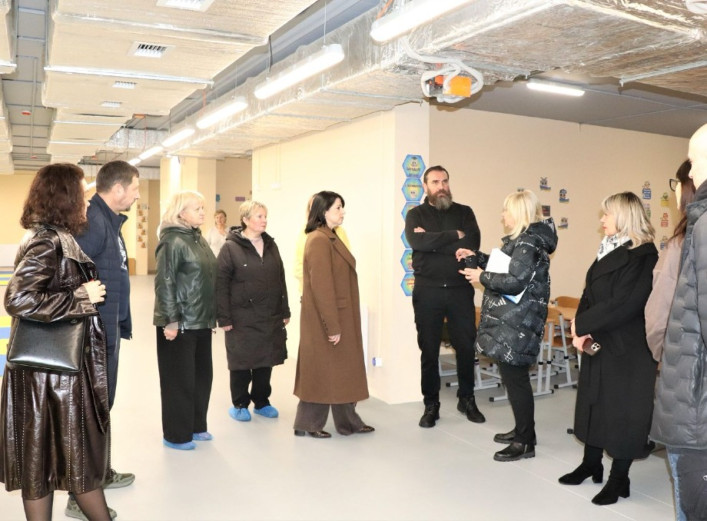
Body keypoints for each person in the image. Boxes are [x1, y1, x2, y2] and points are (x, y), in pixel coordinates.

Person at [0, 163, 113, 520]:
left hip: (50, 373)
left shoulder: (52, 236)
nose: (87, 200)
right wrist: (80, 297)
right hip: (49, 377)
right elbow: (17, 299)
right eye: (82, 192)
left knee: (44, 461)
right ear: (66, 197)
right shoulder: (47, 241)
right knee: (70, 460)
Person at [560, 191, 658, 506]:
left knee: (623, 412)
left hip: (627, 348)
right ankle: (591, 464)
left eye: (607, 214)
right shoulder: (608, 248)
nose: (602, 219)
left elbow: (625, 304)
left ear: (624, 217)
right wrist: (578, 327)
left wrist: (582, 324)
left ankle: (619, 479)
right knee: (594, 404)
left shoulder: (644, 256)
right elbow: (588, 292)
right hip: (599, 341)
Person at [457, 190, 557, 462]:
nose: (502, 215)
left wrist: (481, 276)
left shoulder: (528, 242)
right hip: (512, 321)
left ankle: (525, 443)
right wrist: (478, 257)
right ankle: (525, 431)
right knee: (514, 380)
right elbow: (506, 267)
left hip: (518, 323)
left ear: (518, 213)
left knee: (517, 381)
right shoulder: (522, 241)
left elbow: (514, 282)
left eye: (506, 211)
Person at [74, 160, 139, 503]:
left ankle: (102, 472)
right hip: (93, 335)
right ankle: (80, 494)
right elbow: (70, 277)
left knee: (102, 407)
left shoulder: (110, 222)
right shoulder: (94, 223)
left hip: (108, 331)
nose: (137, 195)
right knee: (90, 412)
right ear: (118, 189)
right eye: (135, 188)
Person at [652, 124, 707, 521]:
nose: (691, 170)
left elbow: (660, 316)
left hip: (694, 407)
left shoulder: (702, 228)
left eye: (693, 160)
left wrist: (664, 354)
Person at [404, 165, 484, 428]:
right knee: (429, 350)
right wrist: (453, 236)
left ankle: (467, 399)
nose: (441, 186)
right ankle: (431, 404)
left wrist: (432, 241)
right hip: (428, 291)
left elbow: (472, 243)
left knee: (466, 347)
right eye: (435, 182)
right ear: (425, 186)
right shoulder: (415, 214)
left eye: (445, 181)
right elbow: (417, 243)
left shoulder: (464, 212)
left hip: (460, 289)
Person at [293, 191, 373, 438]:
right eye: (338, 207)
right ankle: (308, 423)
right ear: (324, 211)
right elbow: (322, 287)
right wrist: (333, 326)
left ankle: (348, 422)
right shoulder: (318, 240)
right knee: (321, 370)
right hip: (327, 317)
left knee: (341, 370)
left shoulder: (331, 236)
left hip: (338, 314)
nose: (342, 212)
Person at [645, 159, 694, 521]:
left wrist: (662, 352)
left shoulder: (682, 242)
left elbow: (658, 312)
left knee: (691, 482)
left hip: (687, 374)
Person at [153, 191, 217, 450]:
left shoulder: (198, 239)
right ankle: (176, 435)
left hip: (201, 320)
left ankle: (196, 426)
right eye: (197, 208)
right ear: (181, 213)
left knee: (202, 378)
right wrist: (170, 320)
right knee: (179, 382)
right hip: (179, 323)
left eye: (203, 208)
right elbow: (165, 282)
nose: (203, 212)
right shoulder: (171, 241)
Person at [216, 200, 290, 422]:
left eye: (265, 216)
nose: (264, 220)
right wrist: (224, 317)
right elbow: (220, 284)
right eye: (259, 216)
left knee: (265, 360)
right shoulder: (230, 248)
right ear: (246, 220)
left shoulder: (271, 245)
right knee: (241, 361)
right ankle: (239, 404)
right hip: (241, 317)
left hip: (268, 315)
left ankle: (262, 401)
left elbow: (281, 278)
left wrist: (284, 309)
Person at [294, 194, 350, 295]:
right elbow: (299, 267)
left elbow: (346, 262)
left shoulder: (340, 232)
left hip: (339, 290)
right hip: (313, 291)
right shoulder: (306, 233)